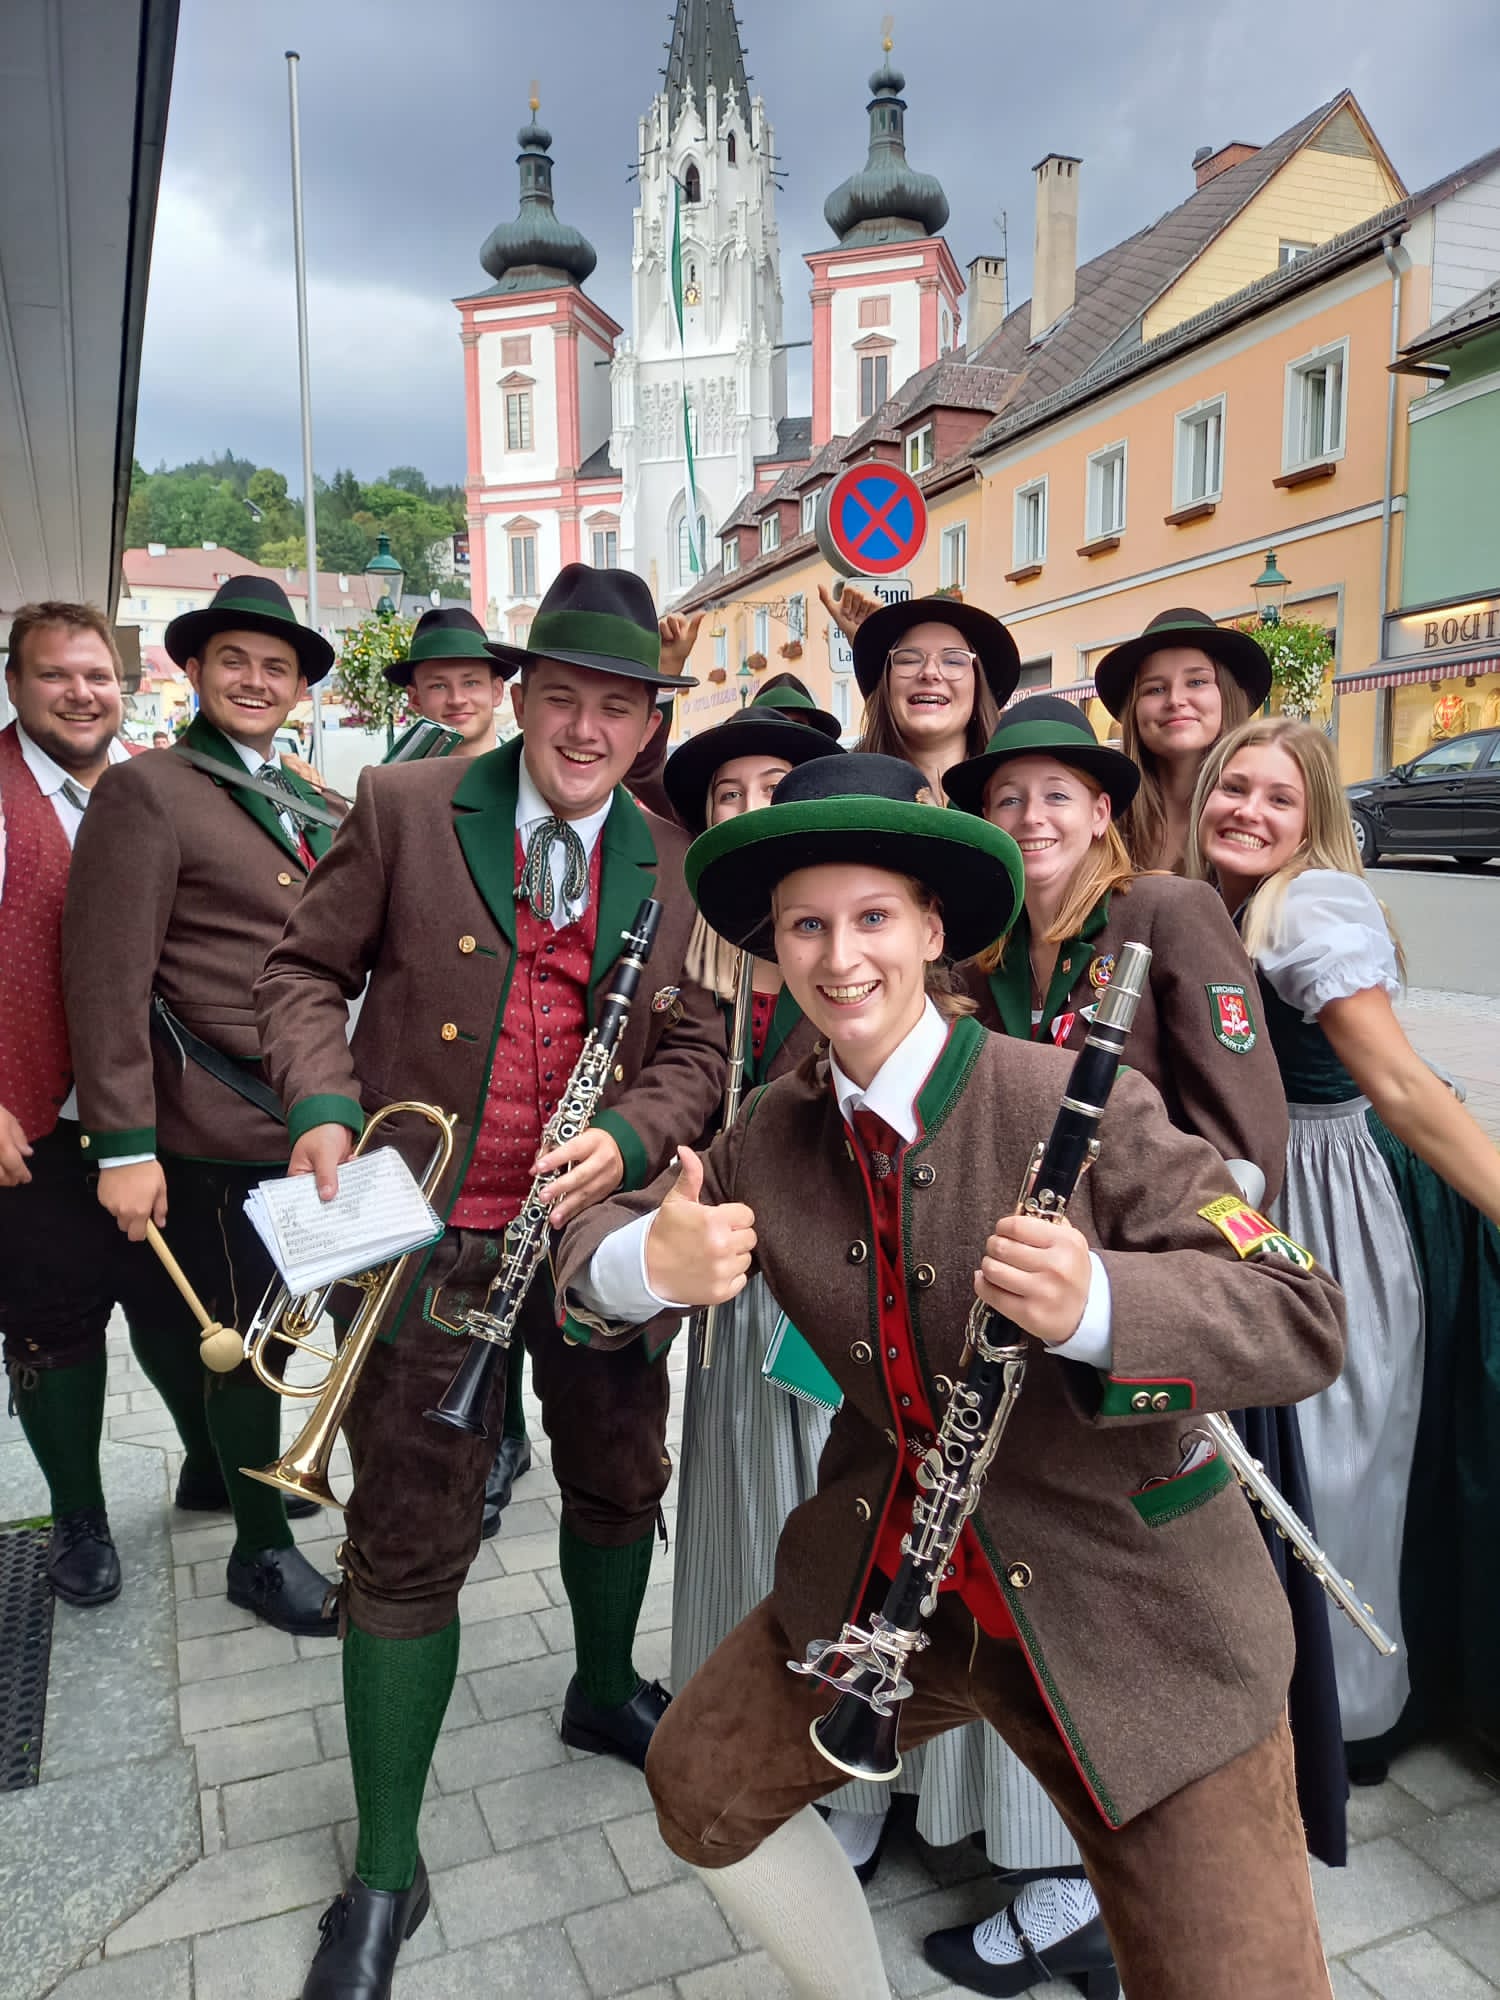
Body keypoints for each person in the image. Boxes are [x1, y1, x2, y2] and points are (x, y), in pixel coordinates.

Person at [555, 752, 1345, 2000]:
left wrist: (1101, 1305)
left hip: (1135, 1611)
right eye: (807, 926)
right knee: (695, 1788)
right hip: (887, 1589)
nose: (841, 956)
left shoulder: (1076, 1099)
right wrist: (642, 1265)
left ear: (932, 930)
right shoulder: (770, 1129)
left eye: (874, 916)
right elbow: (599, 1249)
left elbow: (1301, 1310)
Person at [252, 565, 727, 2000]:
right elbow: (299, 973)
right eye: (563, 698)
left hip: (592, 1233)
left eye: (618, 709)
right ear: (520, 697)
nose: (587, 731)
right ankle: (386, 1868)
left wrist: (631, 1134)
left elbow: (700, 1051)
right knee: (404, 1537)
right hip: (427, 1231)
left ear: (650, 723)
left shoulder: (677, 858)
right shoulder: (405, 807)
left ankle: (601, 1687)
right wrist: (321, 1103)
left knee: (620, 1475)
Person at [905, 696, 1318, 1993]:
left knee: (1152, 1625)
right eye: (1006, 797)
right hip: (1020, 1343)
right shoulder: (990, 948)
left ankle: (1114, 1895)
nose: (1031, 816)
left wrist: (1120, 1293)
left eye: (1057, 795)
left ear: (1101, 810)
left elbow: (1249, 1149)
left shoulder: (1167, 912)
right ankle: (1058, 1872)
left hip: (1140, 1331)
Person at [1191, 715, 1500, 1778]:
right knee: (1288, 1453)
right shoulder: (1214, 900)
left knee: (1341, 1449)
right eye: (1234, 787)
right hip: (1263, 1191)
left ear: (1315, 818)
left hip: (1336, 1193)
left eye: (1279, 798)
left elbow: (1403, 1086)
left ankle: (1350, 1710)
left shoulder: (1308, 905)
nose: (1249, 811)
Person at [61, 575, 343, 1636]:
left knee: (270, 1329)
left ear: (301, 687)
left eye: (278, 667)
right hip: (211, 1124)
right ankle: (260, 1554)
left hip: (299, 1117)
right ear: (194, 670)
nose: (257, 681)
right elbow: (106, 977)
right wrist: (123, 1145)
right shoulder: (150, 790)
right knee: (247, 1341)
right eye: (235, 661)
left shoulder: (303, 793)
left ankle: (217, 1477)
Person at [659, 676, 844, 1690]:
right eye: (725, 794)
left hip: (831, 1273)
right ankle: (736, 1690)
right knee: (736, 1481)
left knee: (823, 1483)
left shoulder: (849, 950)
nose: (745, 807)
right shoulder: (700, 956)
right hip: (730, 1273)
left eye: (771, 787)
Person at [1, 603, 143, 1604]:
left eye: (97, 675)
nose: (80, 694)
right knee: (54, 1322)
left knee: (178, 1307)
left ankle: (213, 1470)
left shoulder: (154, 781)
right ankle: (78, 1514)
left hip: (154, 1112)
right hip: (35, 1121)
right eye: (55, 675)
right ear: (16, 685)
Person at [1093, 607, 1270, 872]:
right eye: (1155, 689)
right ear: (1134, 711)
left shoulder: (1262, 817)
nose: (1175, 700)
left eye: (1196, 682)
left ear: (1227, 696)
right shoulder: (1106, 822)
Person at [849, 593, 1019, 800]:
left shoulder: (1019, 801)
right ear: (886, 687)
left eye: (953, 661)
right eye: (909, 659)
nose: (929, 672)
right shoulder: (846, 795)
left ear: (978, 688)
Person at [385, 603, 511, 759]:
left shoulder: (529, 772)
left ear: (497, 691)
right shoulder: (397, 775)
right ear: (415, 699)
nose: (457, 700)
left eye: (470, 683)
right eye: (438, 686)